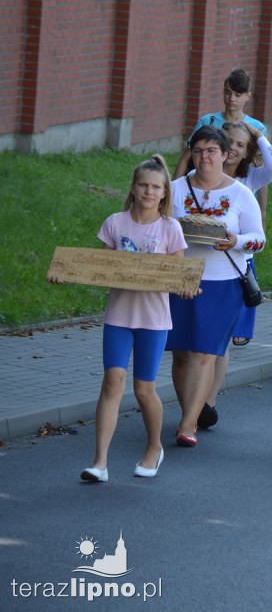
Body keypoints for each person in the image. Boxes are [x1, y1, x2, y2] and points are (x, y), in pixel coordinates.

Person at [49, 156, 191, 481]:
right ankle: (100, 463)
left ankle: (154, 447)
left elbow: (179, 276)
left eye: (156, 187)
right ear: (133, 187)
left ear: (164, 192)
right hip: (119, 317)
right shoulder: (114, 223)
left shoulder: (170, 228)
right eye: (143, 185)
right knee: (112, 382)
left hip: (153, 321)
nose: (149, 191)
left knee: (144, 390)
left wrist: (185, 289)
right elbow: (98, 268)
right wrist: (66, 273)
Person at [167, 126, 266, 448]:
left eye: (211, 151)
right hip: (182, 280)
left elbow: (259, 239)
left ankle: (187, 423)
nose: (204, 157)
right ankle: (190, 411)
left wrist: (237, 241)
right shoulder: (175, 190)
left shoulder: (240, 194)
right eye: (198, 151)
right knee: (180, 354)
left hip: (223, 284)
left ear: (225, 155)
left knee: (204, 353)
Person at [198, 121, 272, 429]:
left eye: (239, 144)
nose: (233, 148)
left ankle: (209, 400)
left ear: (247, 152)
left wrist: (259, 135)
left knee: (221, 342)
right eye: (228, 142)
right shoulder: (199, 177)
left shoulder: (251, 177)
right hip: (201, 264)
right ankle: (195, 399)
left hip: (238, 266)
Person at [173, 69, 267, 180]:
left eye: (238, 95)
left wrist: (260, 198)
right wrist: (173, 191)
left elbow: (261, 167)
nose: (232, 99)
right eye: (228, 93)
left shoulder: (257, 128)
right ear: (223, 92)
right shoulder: (208, 121)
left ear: (248, 96)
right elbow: (186, 158)